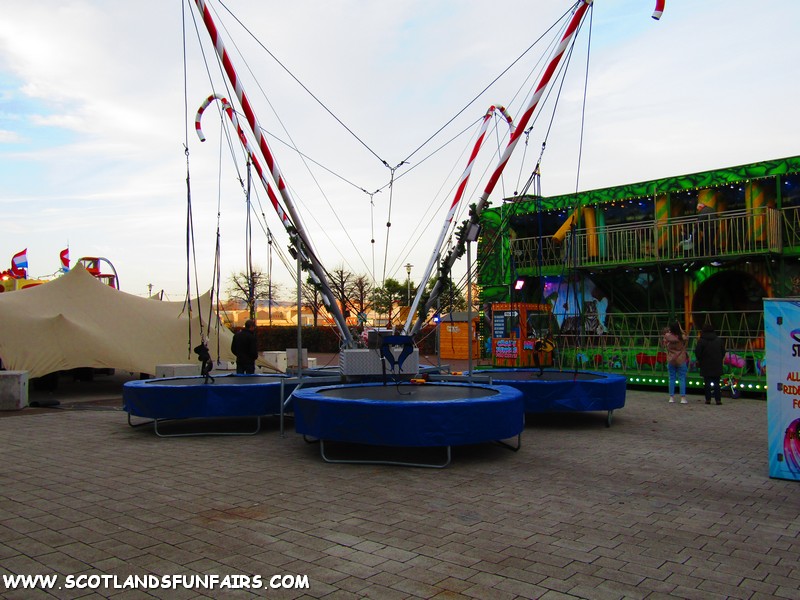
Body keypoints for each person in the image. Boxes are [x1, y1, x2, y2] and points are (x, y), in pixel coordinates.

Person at [694, 324, 726, 405]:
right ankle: (718, 400)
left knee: (707, 383)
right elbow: (723, 352)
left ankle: (708, 399)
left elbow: (697, 352)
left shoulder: (701, 341)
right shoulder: (719, 340)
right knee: (717, 383)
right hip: (716, 364)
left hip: (705, 364)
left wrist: (700, 359)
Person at [663, 321, 689, 404]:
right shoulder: (681, 336)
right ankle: (683, 398)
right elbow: (686, 337)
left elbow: (665, 341)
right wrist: (680, 329)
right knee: (682, 378)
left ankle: (671, 397)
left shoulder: (667, 336)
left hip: (671, 359)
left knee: (671, 378)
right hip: (681, 359)